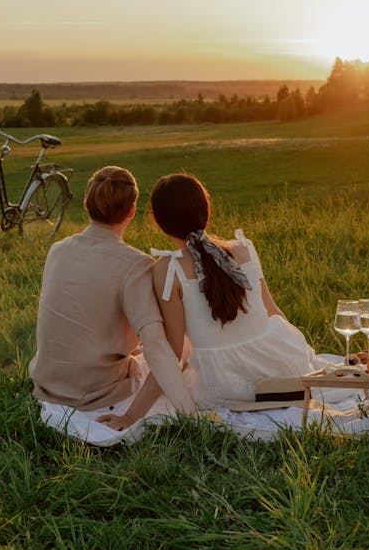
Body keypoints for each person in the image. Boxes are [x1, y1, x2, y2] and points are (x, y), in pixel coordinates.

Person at [29, 165, 196, 423]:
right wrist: (191, 415)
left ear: (86, 204)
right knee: (183, 346)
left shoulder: (58, 249)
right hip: (96, 394)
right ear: (131, 211)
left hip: (48, 382)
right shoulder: (136, 265)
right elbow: (157, 346)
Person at [145, 172, 319, 409]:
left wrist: (131, 414)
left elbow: (172, 352)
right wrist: (297, 355)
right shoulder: (244, 250)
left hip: (222, 385)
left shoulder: (168, 270)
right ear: (206, 208)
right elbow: (272, 311)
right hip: (280, 371)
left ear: (159, 221)